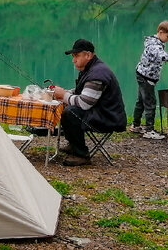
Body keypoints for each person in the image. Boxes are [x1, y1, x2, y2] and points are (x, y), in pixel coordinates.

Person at [49, 38, 127, 166]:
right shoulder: (91, 69)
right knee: (69, 107)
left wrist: (63, 95)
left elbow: (84, 103)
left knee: (71, 112)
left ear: (88, 55)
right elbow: (83, 91)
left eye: (76, 56)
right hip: (101, 112)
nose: (73, 60)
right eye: (73, 56)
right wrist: (65, 93)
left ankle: (81, 155)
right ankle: (73, 144)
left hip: (108, 118)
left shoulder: (97, 74)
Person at [130, 20, 168, 139]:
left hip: (142, 74)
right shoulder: (154, 45)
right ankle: (149, 131)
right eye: (167, 36)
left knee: (141, 101)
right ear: (160, 32)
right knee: (150, 103)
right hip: (146, 77)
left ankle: (135, 125)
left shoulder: (154, 42)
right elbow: (162, 56)